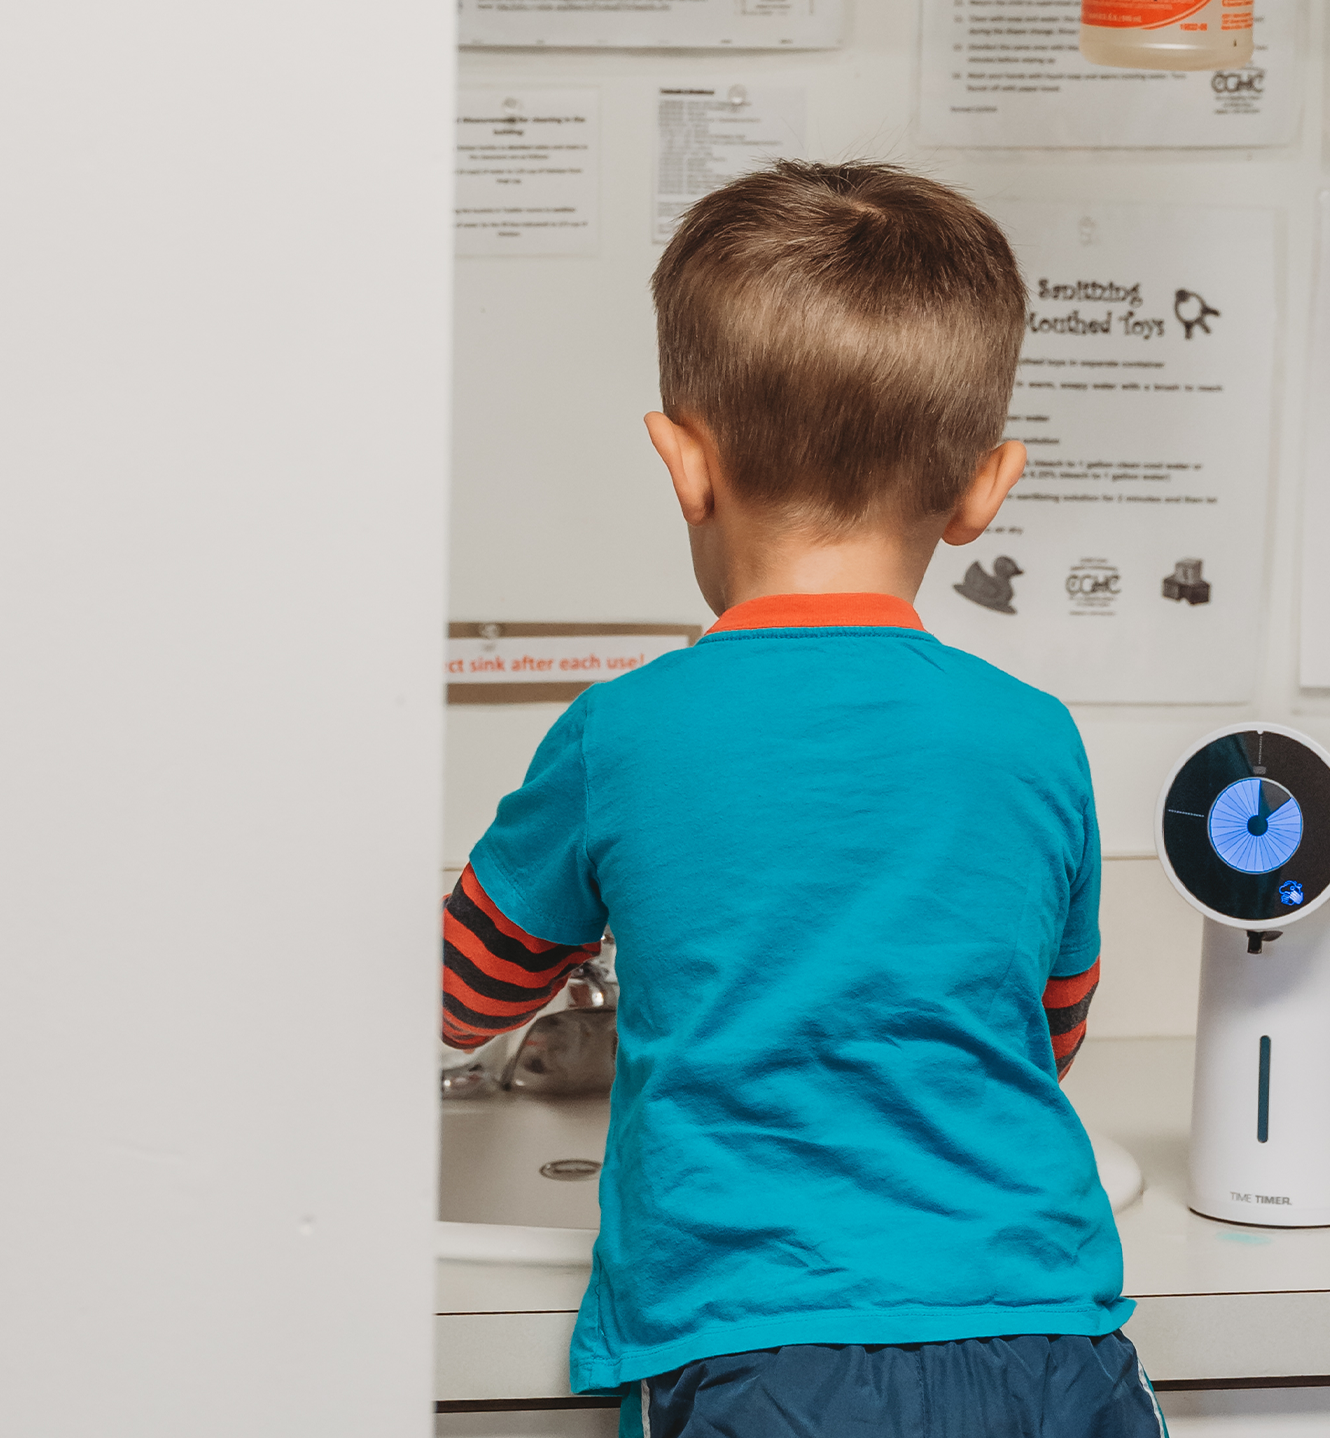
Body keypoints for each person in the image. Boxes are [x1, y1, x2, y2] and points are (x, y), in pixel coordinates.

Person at [440, 162, 1159, 1438]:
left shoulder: (623, 733)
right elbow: (1041, 1033)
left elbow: (462, 992)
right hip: (1049, 1342)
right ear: (985, 489)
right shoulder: (1035, 738)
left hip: (769, 1357)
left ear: (683, 461)